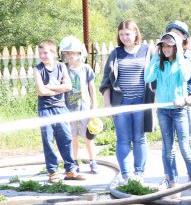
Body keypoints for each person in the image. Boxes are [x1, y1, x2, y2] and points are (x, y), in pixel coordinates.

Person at [144, 31, 191, 201]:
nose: (166, 49)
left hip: (180, 110)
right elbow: (148, 77)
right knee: (168, 148)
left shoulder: (184, 62)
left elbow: (186, 76)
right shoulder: (160, 63)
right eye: (163, 46)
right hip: (163, 109)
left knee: (185, 148)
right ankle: (173, 184)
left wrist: (179, 55)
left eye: (169, 46)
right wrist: (154, 58)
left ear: (176, 47)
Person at [99, 20, 155, 182]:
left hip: (142, 103)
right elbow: (106, 83)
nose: (124, 37)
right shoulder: (115, 53)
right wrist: (108, 104)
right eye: (121, 34)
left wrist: (155, 105)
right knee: (123, 139)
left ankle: (139, 174)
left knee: (139, 138)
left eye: (128, 34)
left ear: (136, 33)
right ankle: (126, 175)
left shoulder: (147, 51)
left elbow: (157, 79)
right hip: (121, 104)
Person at [34, 39, 84, 183]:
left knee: (66, 138)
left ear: (54, 53)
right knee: (48, 140)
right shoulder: (37, 69)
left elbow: (68, 86)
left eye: (45, 53)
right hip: (45, 109)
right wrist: (56, 87)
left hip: (61, 108)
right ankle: (52, 172)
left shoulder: (61, 67)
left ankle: (70, 169)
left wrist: (50, 87)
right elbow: (40, 90)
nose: (42, 56)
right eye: (40, 53)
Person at [59, 36, 99, 174]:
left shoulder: (86, 68)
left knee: (88, 138)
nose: (70, 55)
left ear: (79, 53)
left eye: (73, 52)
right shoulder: (63, 69)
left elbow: (92, 88)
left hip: (85, 109)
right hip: (68, 110)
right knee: (72, 138)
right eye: (67, 53)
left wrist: (94, 105)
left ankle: (93, 161)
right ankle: (74, 162)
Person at [165, 20, 191, 160]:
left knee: (189, 138)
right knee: (168, 140)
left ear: (185, 37)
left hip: (186, 102)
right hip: (167, 103)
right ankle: (170, 176)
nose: (174, 36)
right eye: (172, 33)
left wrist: (183, 96)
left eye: (178, 33)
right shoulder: (164, 55)